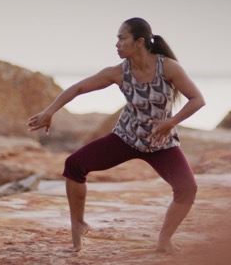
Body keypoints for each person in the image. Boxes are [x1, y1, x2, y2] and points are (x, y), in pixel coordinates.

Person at [27, 17, 205, 254]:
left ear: (139, 41)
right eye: (117, 39)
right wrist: (50, 112)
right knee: (75, 165)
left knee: (187, 189)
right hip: (125, 139)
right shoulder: (118, 73)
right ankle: (78, 225)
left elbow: (198, 99)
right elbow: (79, 87)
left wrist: (171, 122)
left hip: (160, 143)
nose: (117, 44)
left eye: (122, 38)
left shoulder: (168, 67)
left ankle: (164, 239)